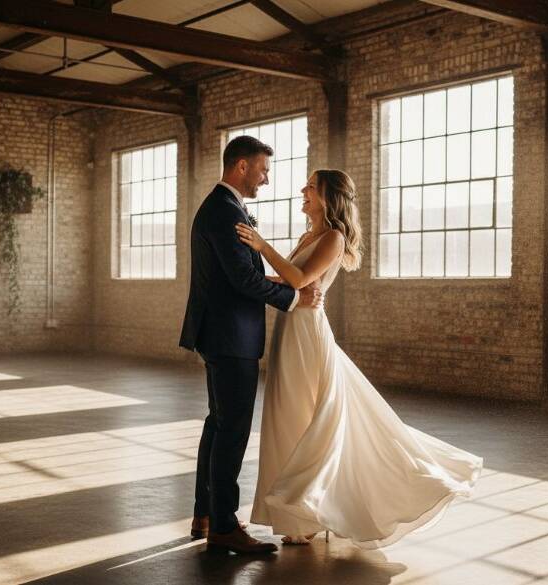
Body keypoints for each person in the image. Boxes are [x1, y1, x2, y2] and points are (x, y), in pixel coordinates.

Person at [237, 169, 483, 549]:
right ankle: (300, 515)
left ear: (328, 198)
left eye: (311, 186)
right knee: (286, 417)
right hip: (289, 329)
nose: (303, 190)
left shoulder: (333, 238)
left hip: (306, 333)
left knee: (306, 417)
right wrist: (253, 280)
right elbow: (286, 281)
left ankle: (311, 510)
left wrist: (261, 245)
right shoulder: (308, 236)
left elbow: (299, 279)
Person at [179, 136, 323, 554]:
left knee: (218, 424)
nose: (266, 179)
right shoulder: (225, 211)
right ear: (241, 166)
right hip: (230, 336)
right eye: (263, 170)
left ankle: (206, 514)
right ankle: (224, 527)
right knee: (233, 429)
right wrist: (294, 299)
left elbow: (241, 274)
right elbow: (243, 278)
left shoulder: (223, 206)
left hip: (219, 333)